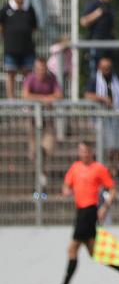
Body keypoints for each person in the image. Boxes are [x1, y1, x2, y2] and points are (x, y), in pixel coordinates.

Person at [41, 141, 119, 284]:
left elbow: (113, 190)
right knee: (95, 253)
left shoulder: (99, 168)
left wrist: (104, 207)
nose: (84, 154)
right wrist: (66, 190)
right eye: (81, 151)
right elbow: (66, 186)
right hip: (80, 212)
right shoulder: (75, 167)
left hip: (89, 211)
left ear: (92, 152)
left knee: (72, 250)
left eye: (86, 151)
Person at [23, 57, 62, 189]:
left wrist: (41, 99)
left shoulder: (52, 78)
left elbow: (58, 95)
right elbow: (25, 95)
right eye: (38, 68)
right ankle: (40, 173)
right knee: (34, 150)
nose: (41, 71)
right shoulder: (30, 78)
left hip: (48, 121)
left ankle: (41, 173)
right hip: (33, 120)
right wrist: (44, 99)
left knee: (46, 148)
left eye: (43, 68)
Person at [84, 57, 119, 174]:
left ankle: (114, 168)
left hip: (117, 118)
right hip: (100, 119)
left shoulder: (118, 80)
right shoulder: (94, 80)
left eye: (108, 68)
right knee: (102, 145)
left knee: (116, 146)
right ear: (99, 68)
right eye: (104, 68)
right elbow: (88, 95)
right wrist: (103, 99)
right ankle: (100, 168)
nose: (106, 71)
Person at [2, 0, 38, 99]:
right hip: (11, 48)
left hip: (27, 48)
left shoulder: (29, 8)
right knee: (10, 73)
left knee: (28, 75)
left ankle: (26, 100)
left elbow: (34, 27)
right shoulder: (6, 8)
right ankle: (11, 100)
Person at [80, 0, 115, 75]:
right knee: (95, 73)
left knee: (108, 73)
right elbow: (83, 22)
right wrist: (97, 14)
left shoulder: (110, 7)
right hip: (95, 44)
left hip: (108, 44)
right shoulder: (93, 3)